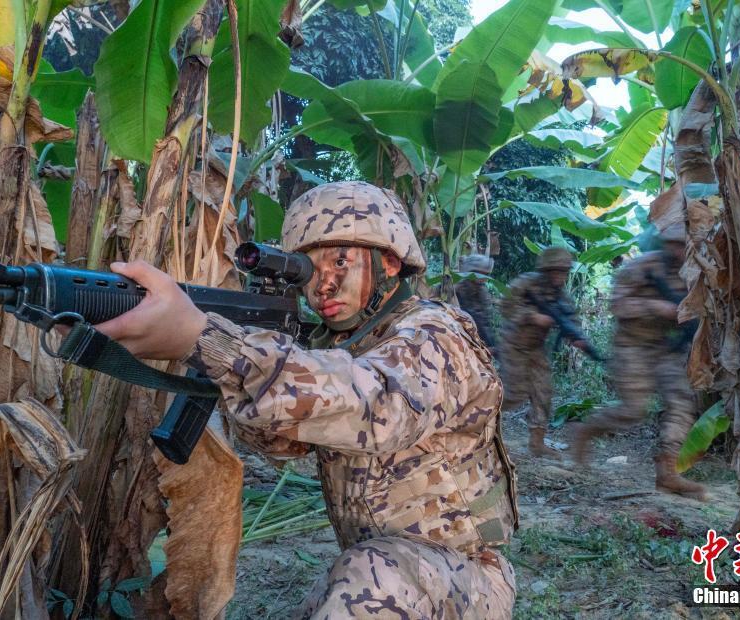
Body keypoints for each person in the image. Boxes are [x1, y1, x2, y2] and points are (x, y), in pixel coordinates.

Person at [96, 181, 519, 618]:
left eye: (341, 261)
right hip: (386, 565)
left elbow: (377, 406)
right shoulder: (343, 343)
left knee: (369, 579)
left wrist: (211, 343)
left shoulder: (436, 333)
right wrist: (235, 361)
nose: (323, 286)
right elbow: (284, 444)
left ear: (390, 263)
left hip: (465, 576)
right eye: (307, 270)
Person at [570, 222, 707, 500]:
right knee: (633, 410)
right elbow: (618, 306)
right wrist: (656, 307)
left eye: (683, 245)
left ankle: (668, 472)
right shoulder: (641, 267)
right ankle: (585, 431)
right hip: (632, 346)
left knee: (682, 402)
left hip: (667, 348)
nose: (678, 251)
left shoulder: (692, 274)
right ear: (664, 244)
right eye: (673, 244)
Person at [498, 247, 591, 461]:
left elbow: (570, 317)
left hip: (536, 348)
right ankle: (478, 422)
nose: (560, 276)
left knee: (543, 393)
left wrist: (575, 336)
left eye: (564, 271)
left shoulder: (560, 294)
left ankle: (537, 443)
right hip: (513, 345)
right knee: (514, 394)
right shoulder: (525, 283)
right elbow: (505, 306)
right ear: (545, 270)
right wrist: (532, 316)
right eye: (555, 271)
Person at [455, 254, 497, 352]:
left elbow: (484, 319)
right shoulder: (456, 288)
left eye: (486, 274)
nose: (485, 277)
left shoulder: (482, 289)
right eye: (482, 273)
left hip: (477, 337)